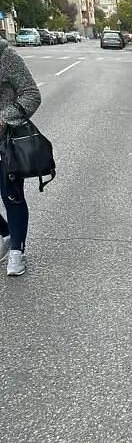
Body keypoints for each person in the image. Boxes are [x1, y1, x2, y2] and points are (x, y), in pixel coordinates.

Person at [0, 37, 42, 276]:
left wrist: (4, 119)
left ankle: (17, 250)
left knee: (11, 195)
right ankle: (6, 233)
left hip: (6, 141)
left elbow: (31, 94)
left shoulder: (6, 57)